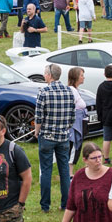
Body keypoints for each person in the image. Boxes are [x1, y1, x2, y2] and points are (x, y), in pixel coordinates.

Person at [35, 63, 75, 212]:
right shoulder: (69, 91)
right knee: (64, 170)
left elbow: (39, 116)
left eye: (45, 73)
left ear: (50, 75)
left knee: (46, 170)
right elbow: (72, 115)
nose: (44, 76)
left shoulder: (43, 92)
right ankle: (65, 204)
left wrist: (36, 132)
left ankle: (45, 205)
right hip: (63, 136)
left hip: (47, 135)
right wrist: (65, 127)